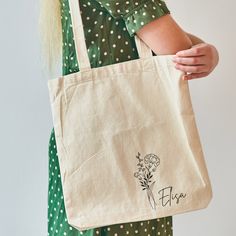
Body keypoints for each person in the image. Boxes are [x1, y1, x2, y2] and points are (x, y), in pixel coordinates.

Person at [39, 0, 219, 235]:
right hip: (118, 146)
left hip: (91, 146)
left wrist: (204, 51)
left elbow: (162, 40)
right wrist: (209, 52)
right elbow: (176, 48)